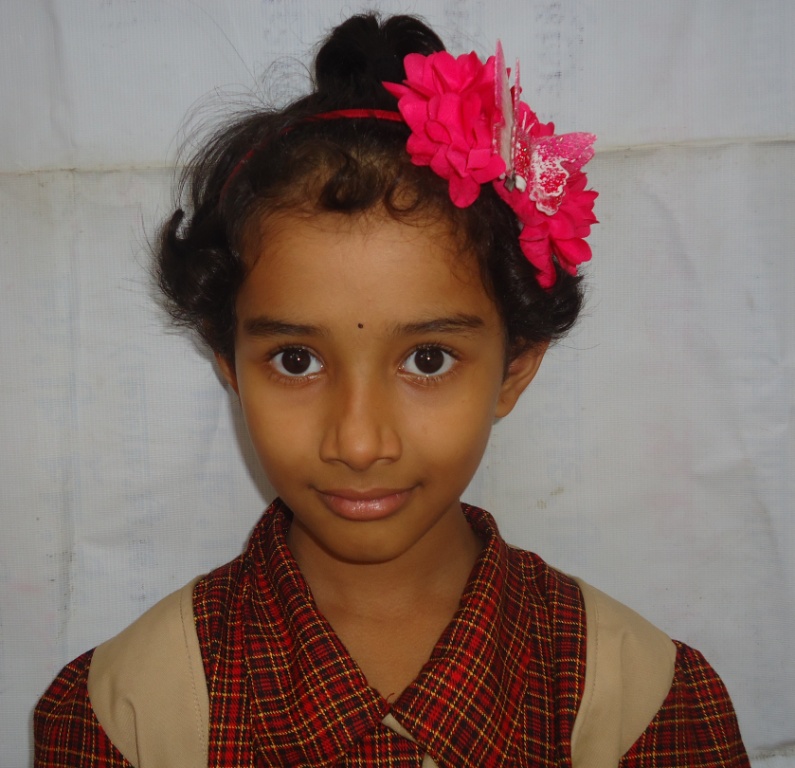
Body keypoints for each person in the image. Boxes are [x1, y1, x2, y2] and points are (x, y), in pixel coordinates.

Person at [33, 13, 750, 767]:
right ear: (229, 364)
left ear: (514, 369)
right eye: (297, 361)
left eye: (428, 360)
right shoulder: (124, 715)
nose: (359, 442)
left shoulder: (643, 704)